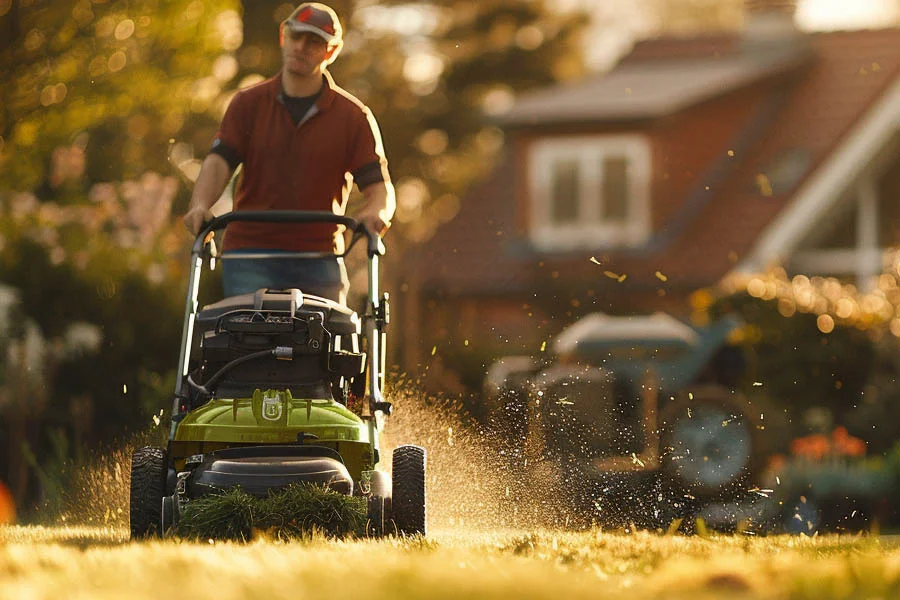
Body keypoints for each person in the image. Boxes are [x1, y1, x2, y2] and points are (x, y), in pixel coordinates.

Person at [183, 2, 395, 304]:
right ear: (284, 35)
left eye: (314, 42)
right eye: (296, 36)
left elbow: (380, 188)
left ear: (331, 52)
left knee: (325, 344)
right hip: (249, 254)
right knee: (247, 343)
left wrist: (377, 213)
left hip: (319, 257)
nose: (301, 47)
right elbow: (219, 162)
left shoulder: (353, 117)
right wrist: (200, 204)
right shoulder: (247, 104)